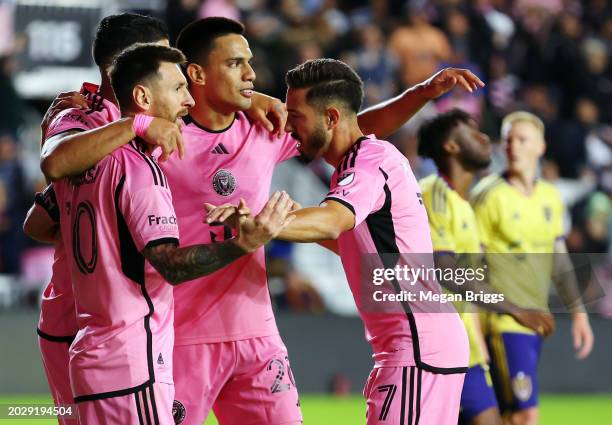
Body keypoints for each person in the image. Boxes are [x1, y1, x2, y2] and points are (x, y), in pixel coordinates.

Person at [39, 16, 484, 425]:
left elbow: (341, 127)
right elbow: (62, 176)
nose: (251, 73)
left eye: (249, 62)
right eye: (236, 63)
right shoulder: (155, 139)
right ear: (196, 75)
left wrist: (420, 95)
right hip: (181, 340)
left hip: (257, 338)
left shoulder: (265, 130)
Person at [39, 43, 293, 425]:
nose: (189, 100)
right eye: (178, 89)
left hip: (94, 352)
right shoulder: (139, 168)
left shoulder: (90, 161)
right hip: (131, 364)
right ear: (142, 96)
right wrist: (245, 242)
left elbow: (36, 223)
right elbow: (171, 266)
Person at [209, 57, 471, 425]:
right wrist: (421, 93)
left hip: (416, 345)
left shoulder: (368, 162)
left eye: (296, 115)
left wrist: (261, 222)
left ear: (330, 119)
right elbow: (355, 246)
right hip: (418, 345)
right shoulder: (361, 159)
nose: (288, 125)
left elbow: (333, 222)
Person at [22, 14, 172, 424]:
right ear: (121, 65)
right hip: (84, 319)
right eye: (160, 57)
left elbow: (38, 221)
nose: (174, 70)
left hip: (128, 320)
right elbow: (56, 161)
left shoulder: (162, 114)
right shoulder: (79, 113)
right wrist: (136, 123)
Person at [417, 109, 552, 425]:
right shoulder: (433, 192)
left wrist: (478, 340)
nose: (485, 138)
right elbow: (445, 268)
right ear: (451, 145)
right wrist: (514, 309)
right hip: (433, 347)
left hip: (465, 348)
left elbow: (469, 283)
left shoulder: (464, 205)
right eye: (472, 131)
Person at [471, 111, 595, 425]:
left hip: (535, 322)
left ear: (541, 146)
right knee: (527, 414)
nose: (513, 146)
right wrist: (471, 329)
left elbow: (559, 257)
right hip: (503, 321)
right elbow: (469, 266)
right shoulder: (488, 196)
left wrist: (579, 314)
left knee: (506, 415)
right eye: (508, 139)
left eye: (522, 139)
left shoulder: (550, 198)